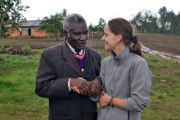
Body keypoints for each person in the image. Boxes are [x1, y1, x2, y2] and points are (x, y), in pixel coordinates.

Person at [35, 13, 102, 120]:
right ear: (66, 33)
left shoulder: (95, 55)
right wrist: (70, 83)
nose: (83, 38)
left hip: (91, 116)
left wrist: (98, 81)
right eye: (77, 34)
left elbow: (102, 77)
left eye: (85, 33)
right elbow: (41, 87)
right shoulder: (50, 55)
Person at [97, 18, 152, 120]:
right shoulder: (106, 63)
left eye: (106, 34)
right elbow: (101, 93)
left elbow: (138, 103)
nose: (102, 38)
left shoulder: (138, 64)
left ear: (118, 37)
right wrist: (90, 87)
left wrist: (110, 100)